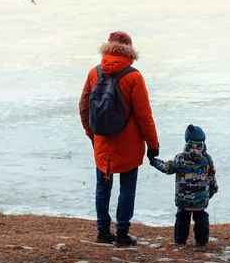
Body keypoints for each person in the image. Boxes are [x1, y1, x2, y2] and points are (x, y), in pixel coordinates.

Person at [79, 31, 160, 246]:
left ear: (108, 47)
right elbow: (144, 116)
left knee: (102, 187)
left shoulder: (94, 73)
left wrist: (93, 135)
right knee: (127, 188)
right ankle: (123, 233)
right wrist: (153, 145)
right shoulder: (133, 77)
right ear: (130, 50)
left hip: (102, 142)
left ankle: (103, 232)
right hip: (129, 144)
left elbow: (84, 108)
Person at [150, 124, 218, 246]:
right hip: (201, 199)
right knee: (201, 217)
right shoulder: (207, 159)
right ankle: (202, 241)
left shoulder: (181, 158)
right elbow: (211, 176)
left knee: (182, 217)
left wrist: (154, 161)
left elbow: (168, 168)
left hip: (183, 198)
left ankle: (180, 240)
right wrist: (212, 190)